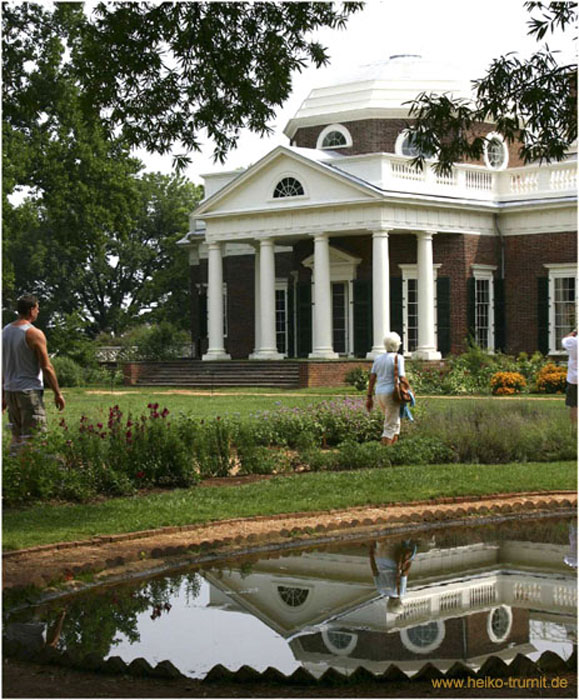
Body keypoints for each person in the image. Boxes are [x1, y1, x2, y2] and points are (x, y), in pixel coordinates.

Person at [2, 294, 65, 453]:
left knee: (16, 438)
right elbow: (46, 366)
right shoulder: (33, 333)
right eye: (37, 308)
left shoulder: (5, 331)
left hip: (10, 391)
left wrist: (3, 394)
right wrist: (58, 393)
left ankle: (14, 473)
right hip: (29, 392)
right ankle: (28, 474)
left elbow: (4, 365)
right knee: (33, 440)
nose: (38, 311)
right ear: (31, 310)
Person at [366, 331, 405, 446]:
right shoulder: (398, 358)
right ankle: (384, 453)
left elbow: (372, 378)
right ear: (397, 344)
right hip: (392, 394)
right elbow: (402, 378)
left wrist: (369, 396)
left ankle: (394, 448)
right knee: (389, 425)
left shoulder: (378, 359)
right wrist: (409, 390)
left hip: (379, 394)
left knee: (395, 422)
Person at [369, 539, 417, 614]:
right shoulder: (380, 590)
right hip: (379, 558)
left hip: (393, 558)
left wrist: (410, 561)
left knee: (396, 538)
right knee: (381, 539)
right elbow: (374, 570)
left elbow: (404, 574)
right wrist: (372, 556)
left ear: (400, 603)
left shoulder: (401, 592)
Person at [561, 329, 577, 426]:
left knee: (574, 405)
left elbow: (564, 340)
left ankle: (574, 428)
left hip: (574, 379)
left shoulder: (573, 341)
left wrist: (574, 332)